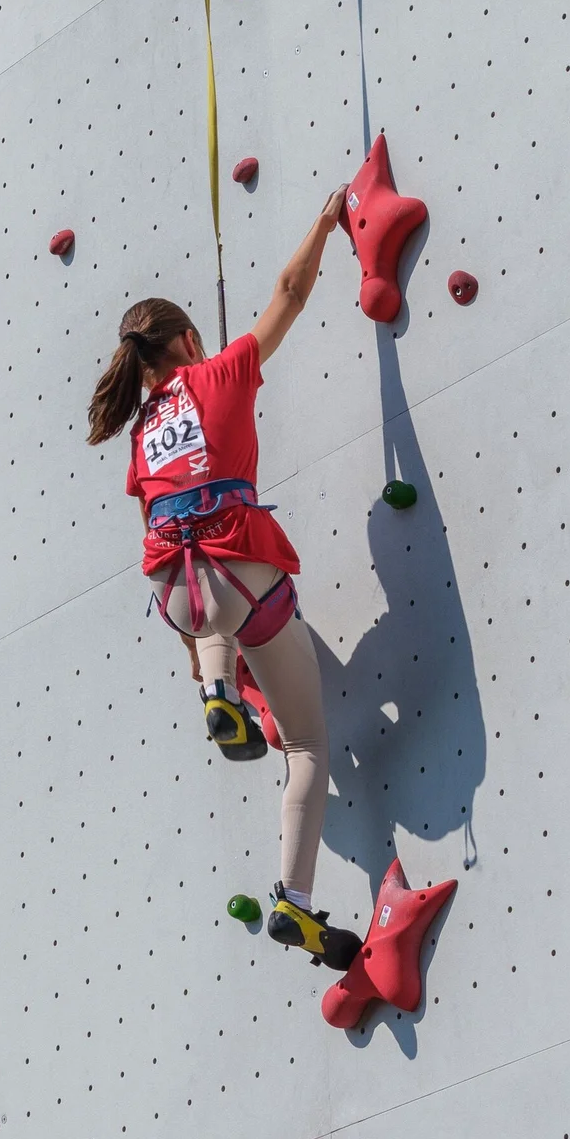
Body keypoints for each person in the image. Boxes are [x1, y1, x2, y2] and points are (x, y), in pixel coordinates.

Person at [85, 187, 362, 973]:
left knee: (212, 624)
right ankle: (295, 904)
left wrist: (200, 667)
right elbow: (289, 294)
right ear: (188, 338)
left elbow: (159, 544)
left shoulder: (141, 439)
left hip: (180, 589)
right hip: (239, 560)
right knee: (307, 746)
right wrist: (325, 220)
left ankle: (220, 694)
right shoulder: (223, 372)